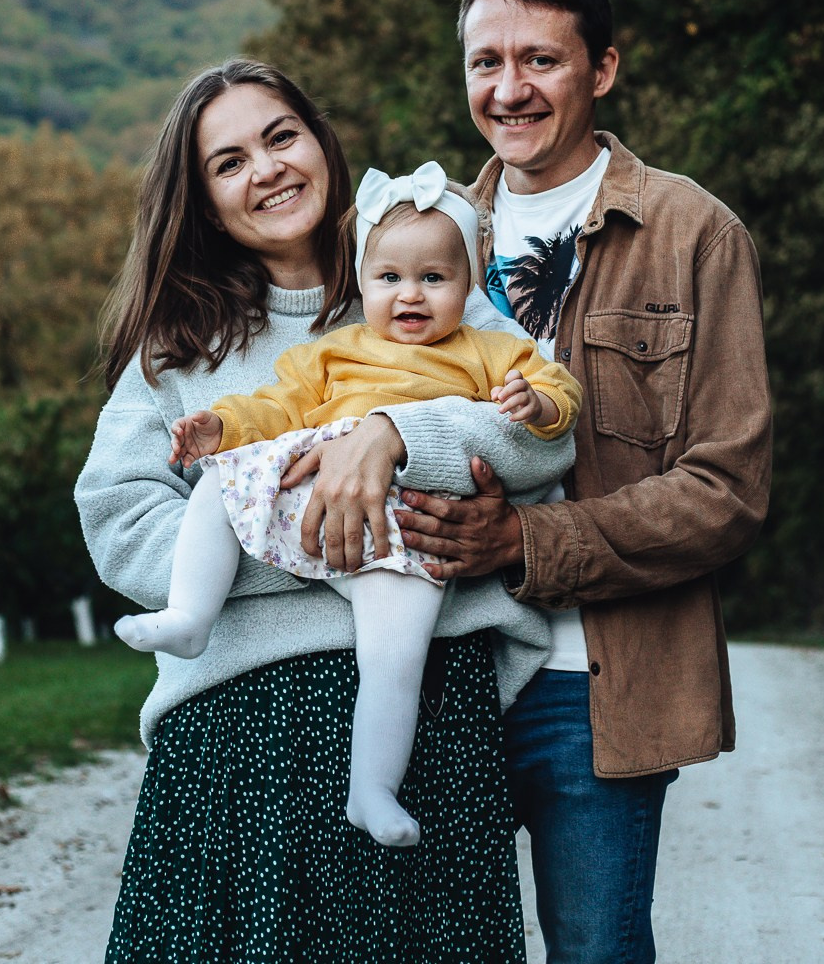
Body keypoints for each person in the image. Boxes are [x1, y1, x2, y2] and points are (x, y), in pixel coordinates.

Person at [292, 0, 773, 964]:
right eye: (484, 63)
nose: (507, 90)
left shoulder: (694, 233)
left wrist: (526, 540)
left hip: (593, 684)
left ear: (601, 70)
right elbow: (324, 393)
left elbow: (728, 491)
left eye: (539, 61)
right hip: (435, 669)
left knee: (595, 949)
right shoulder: (415, 232)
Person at [75, 58, 576, 964]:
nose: (264, 170)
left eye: (279, 137)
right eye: (228, 163)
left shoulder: (419, 279)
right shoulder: (178, 343)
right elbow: (117, 513)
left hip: (424, 718)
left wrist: (394, 434)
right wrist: (312, 549)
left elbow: (536, 435)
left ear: (321, 142)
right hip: (237, 731)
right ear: (202, 198)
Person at [115, 159, 582, 848]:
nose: (411, 296)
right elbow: (275, 407)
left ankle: (372, 788)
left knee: (396, 655)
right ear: (363, 283)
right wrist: (222, 427)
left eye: (434, 278)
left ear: (468, 283)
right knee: (222, 482)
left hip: (405, 527)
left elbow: (558, 396)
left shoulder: (489, 350)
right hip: (314, 493)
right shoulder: (334, 352)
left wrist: (534, 402)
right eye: (390, 278)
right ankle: (190, 614)